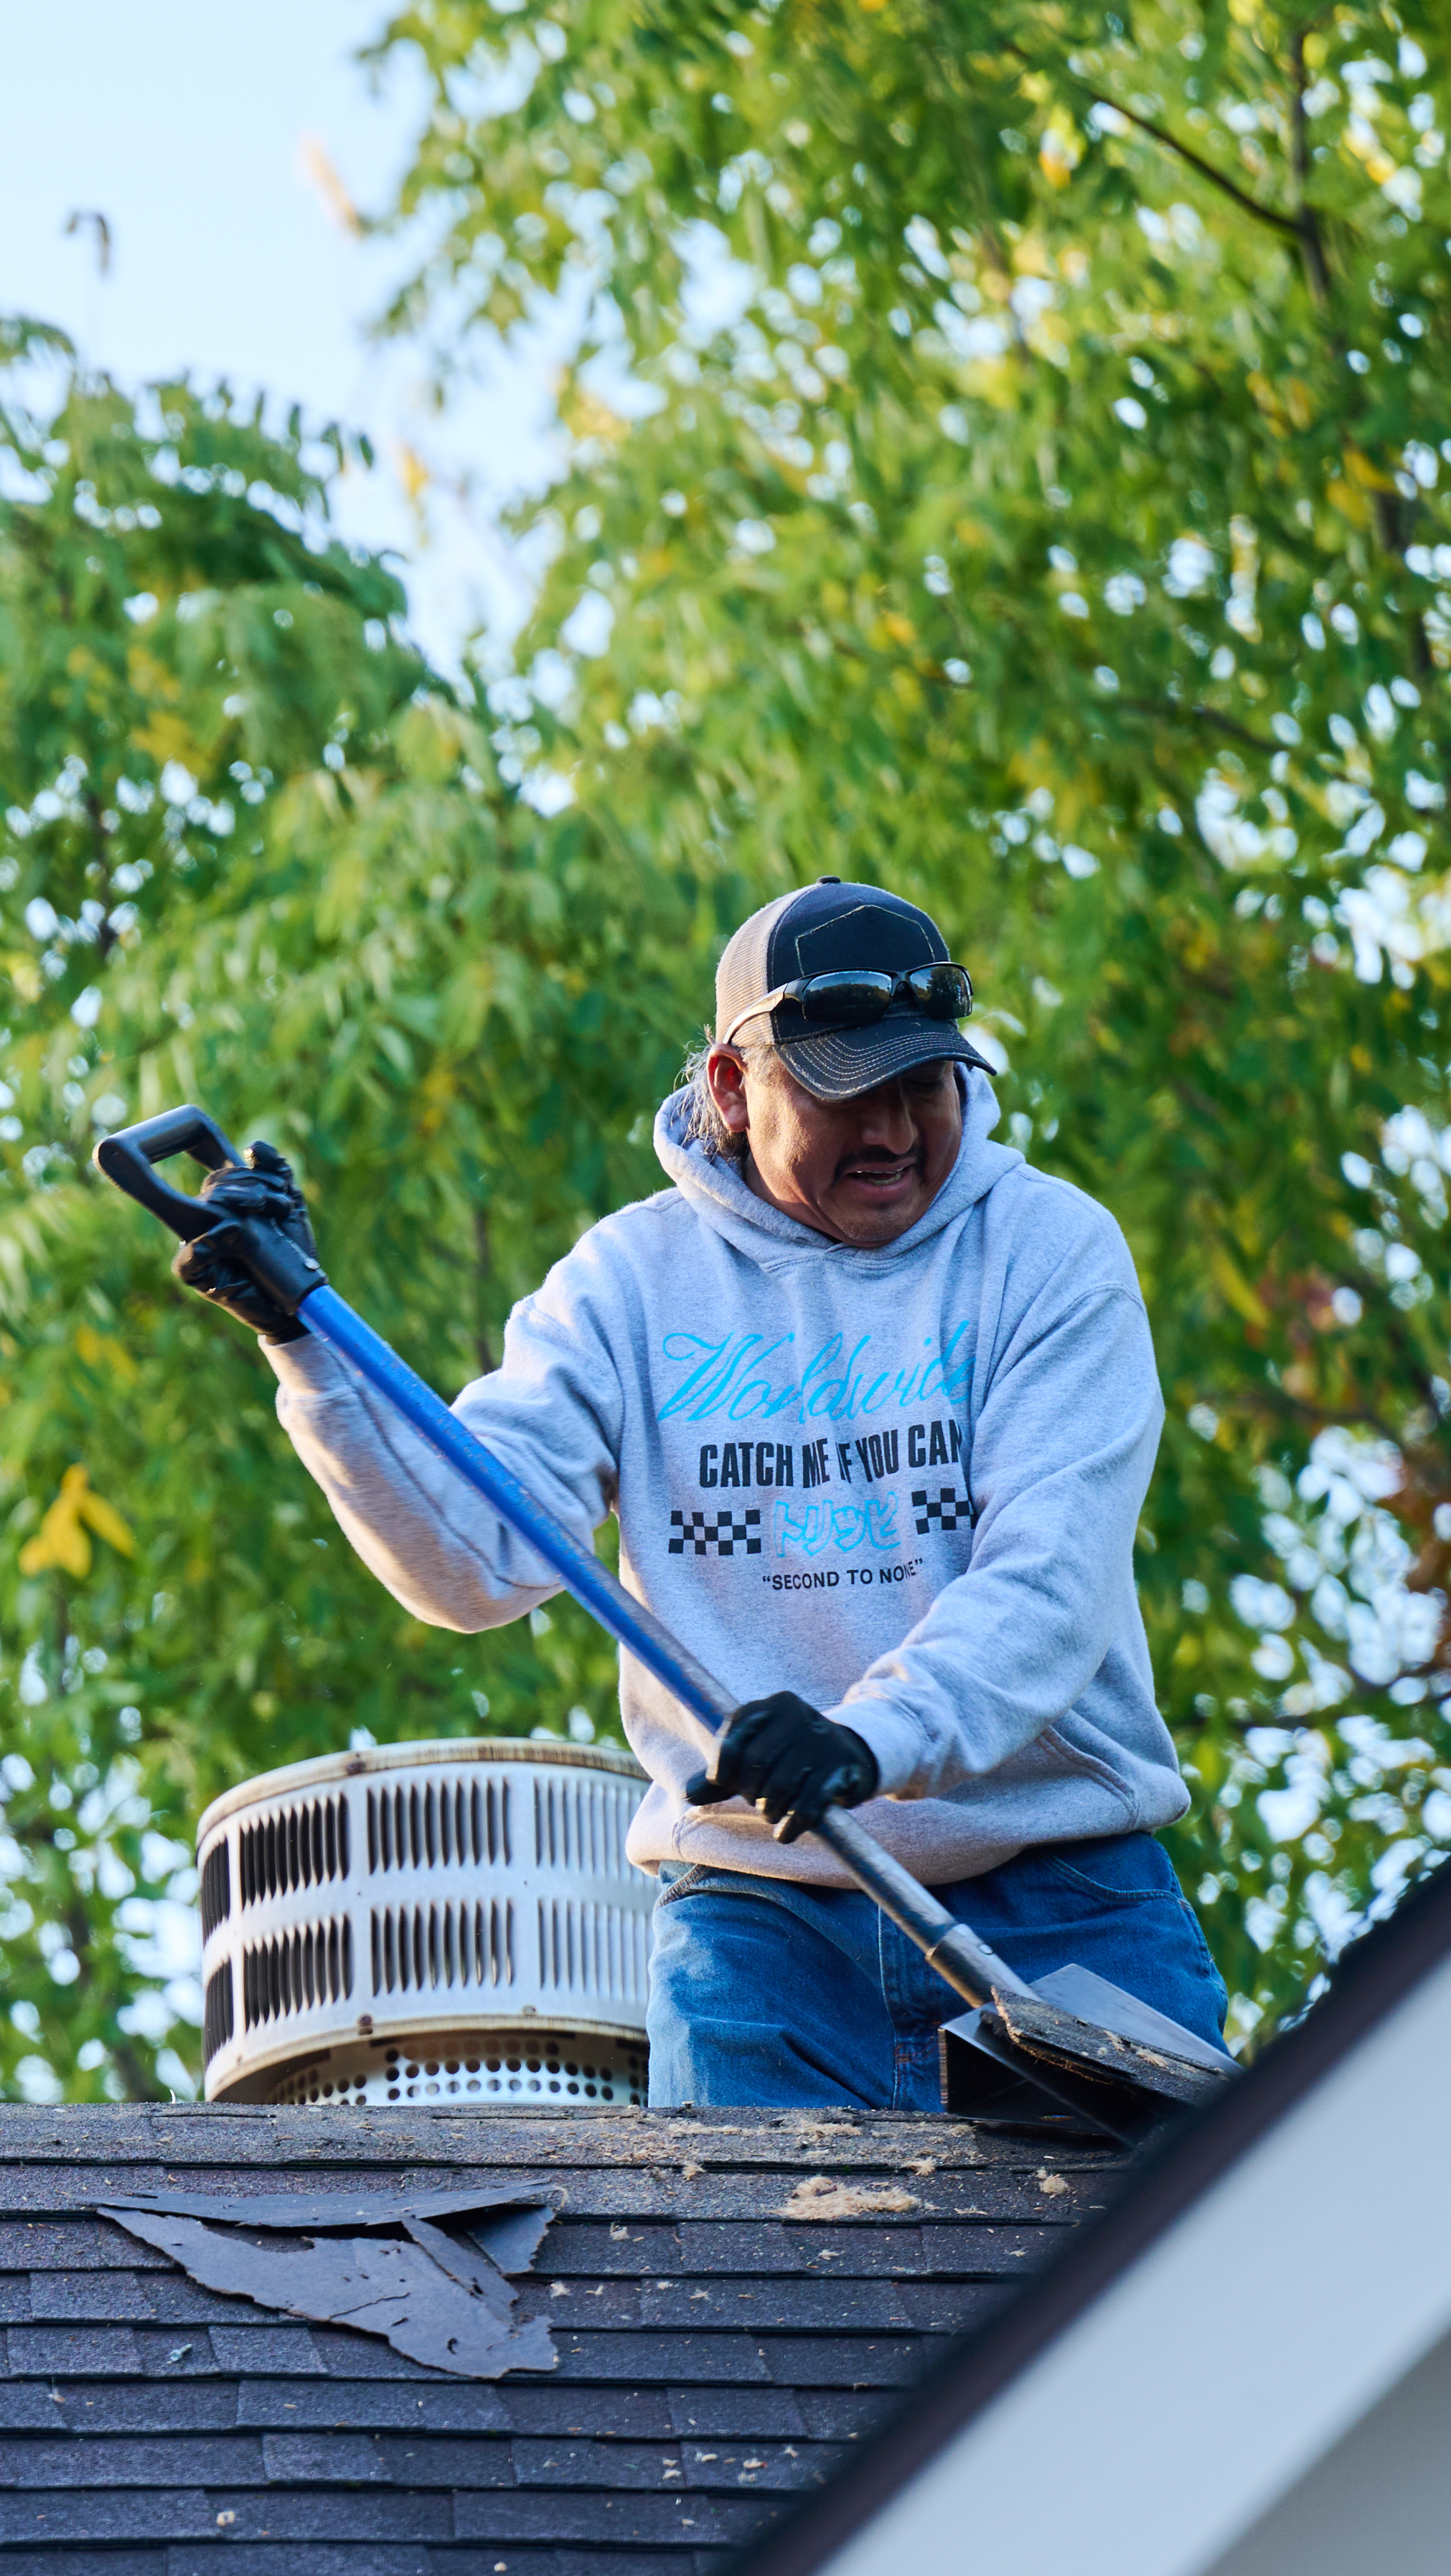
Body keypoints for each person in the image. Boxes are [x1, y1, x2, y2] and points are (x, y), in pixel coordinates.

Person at [177, 878, 1226, 2109]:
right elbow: (474, 1563)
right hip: (762, 1935)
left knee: (1150, 2280)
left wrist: (866, 1739)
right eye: (846, 1093)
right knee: (759, 2299)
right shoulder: (628, 1287)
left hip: (1066, 1901)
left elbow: (1050, 1584)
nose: (893, 1130)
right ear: (733, 1089)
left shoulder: (1048, 1254)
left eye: (922, 1085)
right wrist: (311, 1349)